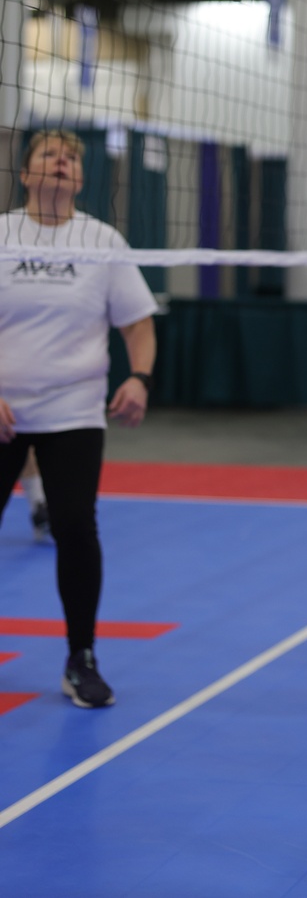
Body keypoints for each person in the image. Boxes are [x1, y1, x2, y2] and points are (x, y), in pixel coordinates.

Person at [0, 129, 157, 708]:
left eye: (70, 157)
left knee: (74, 527)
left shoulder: (102, 241)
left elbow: (138, 322)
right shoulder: (1, 235)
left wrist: (139, 376)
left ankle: (81, 659)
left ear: (82, 178)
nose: (61, 163)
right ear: (25, 174)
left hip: (73, 409)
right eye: (48, 154)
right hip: (3, 408)